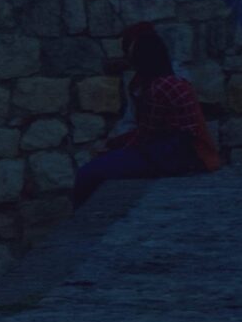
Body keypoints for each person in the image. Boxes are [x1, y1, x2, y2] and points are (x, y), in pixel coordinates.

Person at [71, 21, 222, 205]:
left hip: (174, 154)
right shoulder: (172, 80)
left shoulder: (160, 87)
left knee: (88, 174)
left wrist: (111, 146)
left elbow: (146, 133)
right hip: (179, 151)